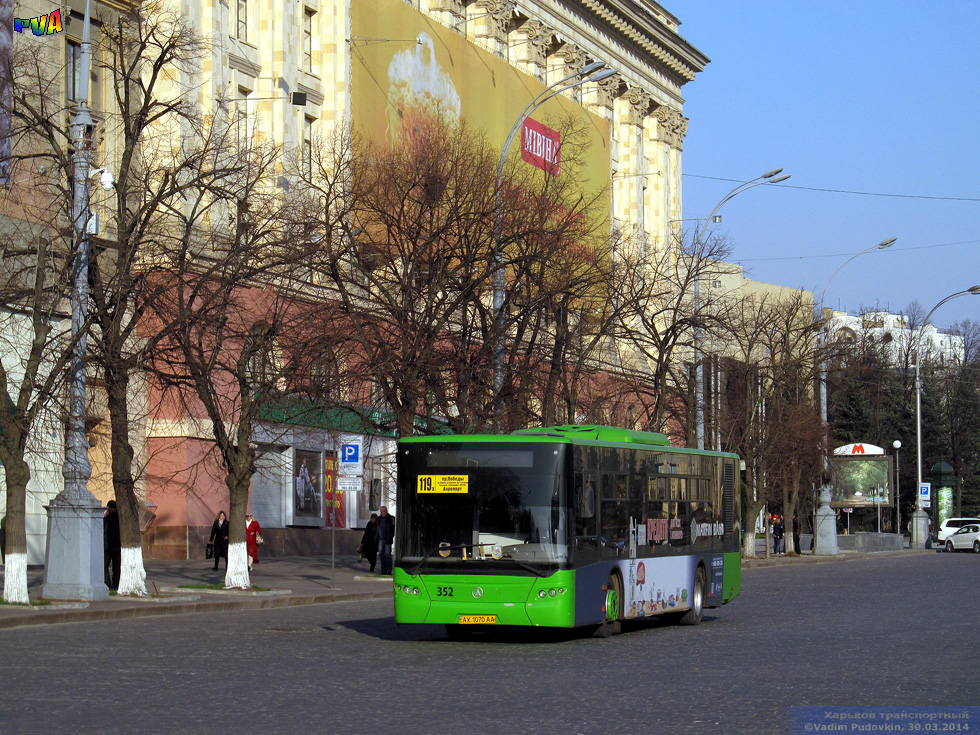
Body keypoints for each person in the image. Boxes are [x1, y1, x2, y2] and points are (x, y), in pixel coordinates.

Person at [104, 500, 121, 590]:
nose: (109, 510)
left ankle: (115, 585)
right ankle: (109, 584)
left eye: (110, 508)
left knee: (116, 568)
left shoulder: (117, 519)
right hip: (108, 546)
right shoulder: (107, 518)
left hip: (115, 547)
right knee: (105, 566)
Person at [376, 505, 395, 575]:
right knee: (381, 554)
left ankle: (389, 570)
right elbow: (377, 529)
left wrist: (391, 536)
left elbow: (393, 529)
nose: (383, 513)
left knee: (387, 554)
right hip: (381, 538)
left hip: (388, 539)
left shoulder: (391, 518)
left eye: (384, 511)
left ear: (386, 511)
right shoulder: (379, 519)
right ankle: (383, 570)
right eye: (381, 512)